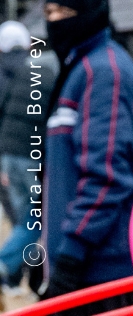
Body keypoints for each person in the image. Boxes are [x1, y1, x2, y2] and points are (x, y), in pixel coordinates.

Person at [41, 0, 133, 313]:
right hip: (98, 259)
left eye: (64, 13)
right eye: (49, 13)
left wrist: (70, 253)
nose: (54, 22)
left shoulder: (104, 72)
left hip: (111, 265)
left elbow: (107, 175)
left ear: (90, 12)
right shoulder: (82, 67)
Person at [0, 21, 52, 294]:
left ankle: (18, 277)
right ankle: (7, 268)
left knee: (25, 218)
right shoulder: (39, 68)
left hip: (9, 154)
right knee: (33, 220)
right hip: (31, 155)